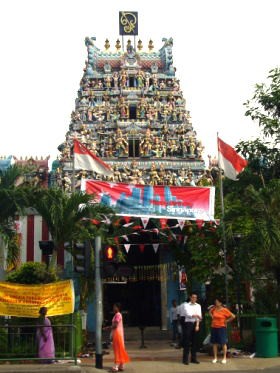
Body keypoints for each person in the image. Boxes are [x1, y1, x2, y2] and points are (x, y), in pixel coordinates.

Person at [209, 297, 236, 364]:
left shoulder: (224, 310)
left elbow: (233, 316)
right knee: (214, 343)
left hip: (221, 328)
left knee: (223, 343)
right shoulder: (214, 308)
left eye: (217, 302)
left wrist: (226, 321)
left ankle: (224, 358)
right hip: (213, 327)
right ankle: (215, 358)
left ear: (220, 303)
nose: (216, 303)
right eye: (215, 301)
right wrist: (212, 317)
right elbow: (210, 312)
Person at [181, 293, 202, 365]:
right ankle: (185, 359)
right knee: (187, 342)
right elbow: (188, 314)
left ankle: (194, 358)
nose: (194, 299)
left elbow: (200, 316)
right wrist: (195, 315)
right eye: (193, 297)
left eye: (195, 297)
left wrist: (197, 325)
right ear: (190, 297)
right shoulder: (186, 305)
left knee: (194, 342)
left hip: (196, 323)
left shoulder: (198, 305)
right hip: (188, 324)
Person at [108, 303, 130, 372]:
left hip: (117, 334)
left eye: (115, 307)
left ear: (118, 308)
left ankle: (116, 366)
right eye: (113, 307)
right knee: (120, 349)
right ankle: (121, 365)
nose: (113, 308)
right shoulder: (117, 315)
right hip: (118, 333)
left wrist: (107, 328)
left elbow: (115, 325)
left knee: (117, 349)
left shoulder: (118, 315)